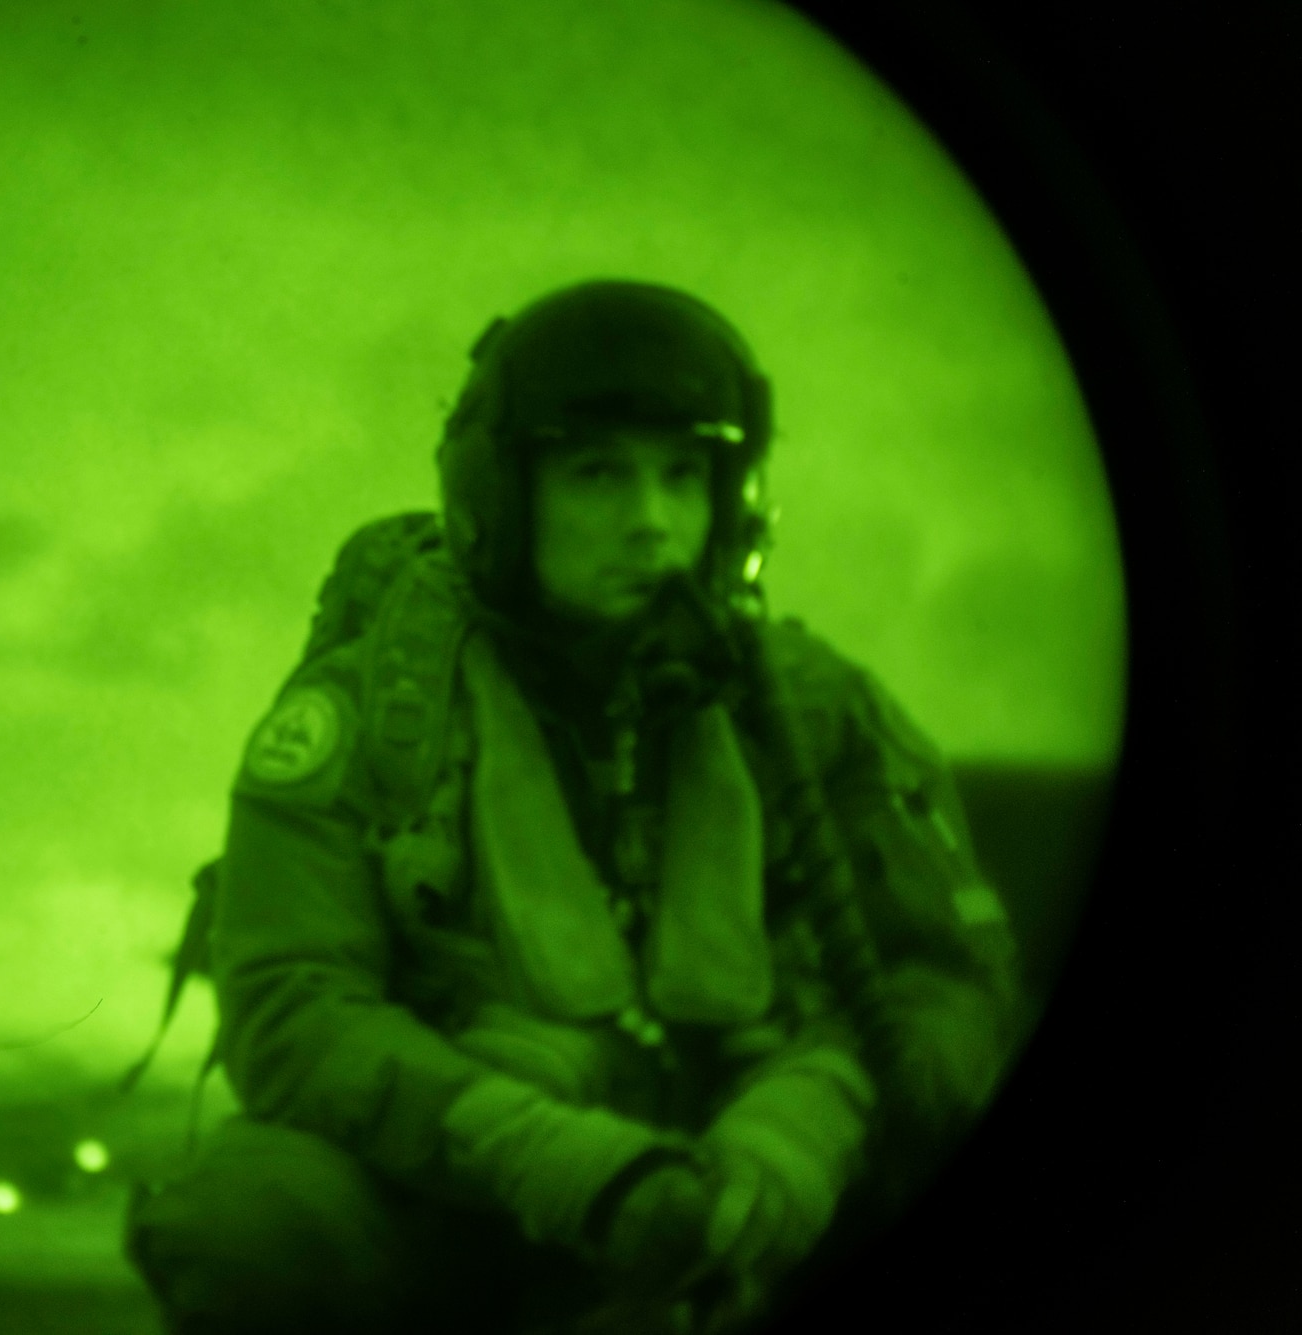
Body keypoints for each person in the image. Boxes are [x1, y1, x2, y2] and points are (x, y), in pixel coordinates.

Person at [124, 280, 1023, 1335]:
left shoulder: (819, 714)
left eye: (681, 476)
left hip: (745, 1162)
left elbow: (942, 984)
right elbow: (291, 1008)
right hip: (458, 1174)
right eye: (598, 474)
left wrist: (793, 1139)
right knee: (253, 1226)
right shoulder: (368, 716)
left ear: (727, 502)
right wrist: (554, 1160)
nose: (649, 524)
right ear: (501, 496)